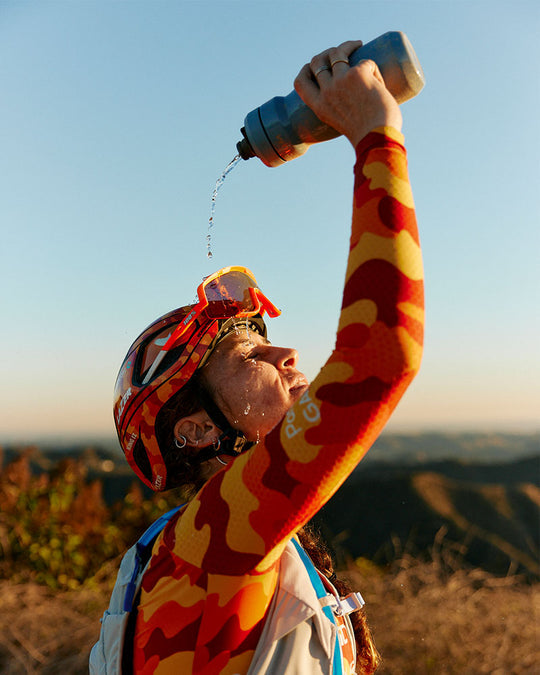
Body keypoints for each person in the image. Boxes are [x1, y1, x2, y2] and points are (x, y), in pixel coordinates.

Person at [95, 40, 424, 674]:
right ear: (195, 429)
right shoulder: (209, 548)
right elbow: (379, 358)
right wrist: (377, 135)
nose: (287, 350)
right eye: (248, 353)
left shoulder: (212, 547)